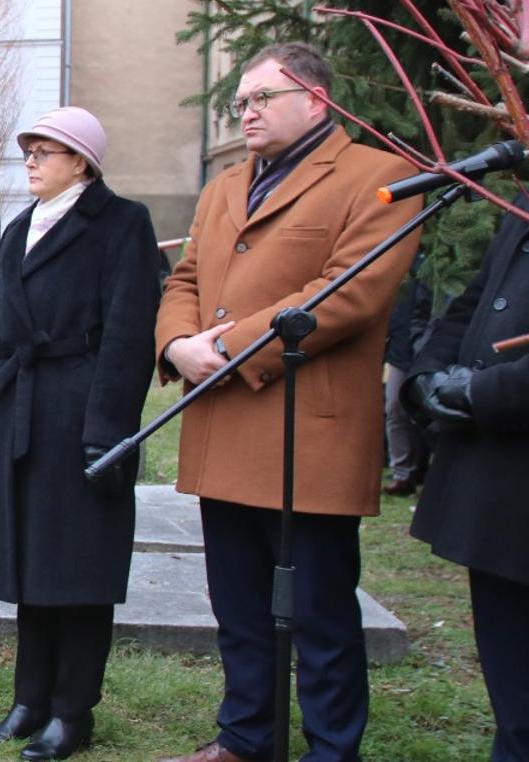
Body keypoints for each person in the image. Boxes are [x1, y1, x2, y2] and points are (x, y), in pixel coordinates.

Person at [153, 42, 422, 762]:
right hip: (221, 423)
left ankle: (332, 749)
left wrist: (231, 343)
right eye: (240, 102)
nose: (246, 113)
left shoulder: (381, 177)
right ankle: (245, 737)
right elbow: (184, 280)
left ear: (317, 100)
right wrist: (180, 343)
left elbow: (350, 294)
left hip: (308, 432)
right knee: (237, 606)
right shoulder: (224, 187)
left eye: (261, 99)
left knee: (320, 612)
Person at [0, 107, 161, 759]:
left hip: (77, 414)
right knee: (30, 562)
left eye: (47, 150)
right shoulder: (18, 228)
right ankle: (30, 698)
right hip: (15, 410)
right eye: (30, 150)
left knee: (78, 566)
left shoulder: (121, 223)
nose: (33, 160)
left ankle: (74, 712)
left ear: (82, 161)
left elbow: (129, 336)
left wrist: (108, 431)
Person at [402, 196, 529, 762]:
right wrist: (427, 375)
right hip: (500, 488)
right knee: (512, 678)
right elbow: (475, 302)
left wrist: (485, 392)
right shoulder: (521, 205)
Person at [381, 254, 432, 496]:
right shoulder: (400, 261)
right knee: (394, 407)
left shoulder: (433, 262)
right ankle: (402, 473)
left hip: (429, 348)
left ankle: (432, 475)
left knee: (433, 414)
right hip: (400, 349)